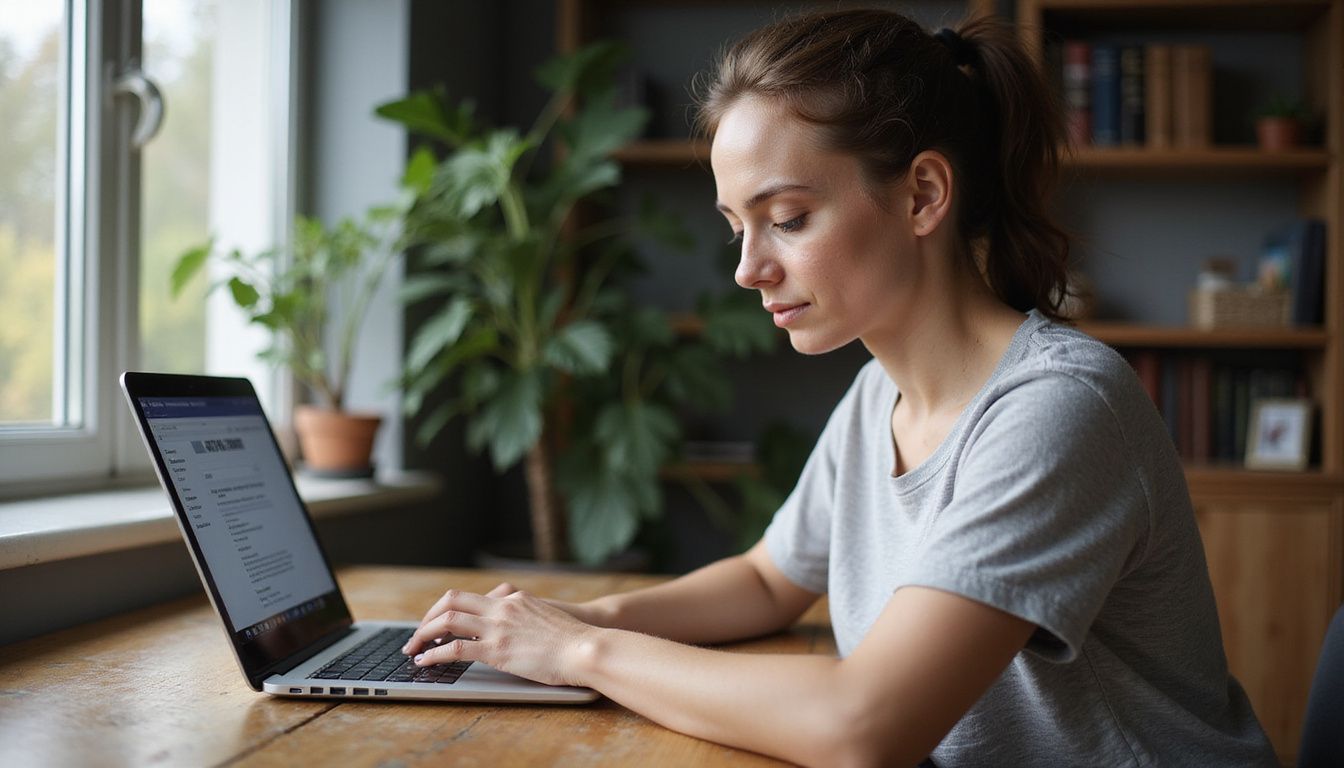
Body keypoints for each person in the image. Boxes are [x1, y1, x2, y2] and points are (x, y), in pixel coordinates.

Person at [401, 9, 1278, 767]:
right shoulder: (876, 396)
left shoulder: (1056, 410)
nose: (748, 268)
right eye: (737, 226)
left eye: (787, 219)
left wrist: (584, 651)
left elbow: (865, 728)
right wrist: (569, 619)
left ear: (923, 193)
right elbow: (766, 580)